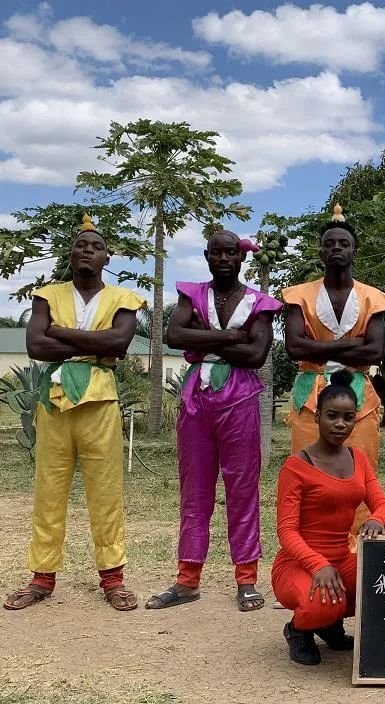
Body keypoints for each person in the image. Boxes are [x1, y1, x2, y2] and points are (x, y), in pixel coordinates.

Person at [4, 215, 145, 612]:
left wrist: (60, 333)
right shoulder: (47, 295)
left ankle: (113, 578)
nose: (87, 251)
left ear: (106, 256)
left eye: (95, 246)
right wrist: (91, 345)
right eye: (81, 245)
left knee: (106, 492)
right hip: (55, 401)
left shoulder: (124, 299)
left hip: (100, 402)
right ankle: (42, 578)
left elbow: (119, 342)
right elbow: (35, 345)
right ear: (72, 252)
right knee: (49, 490)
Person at [145, 231, 282, 612]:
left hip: (239, 397)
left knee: (242, 489)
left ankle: (246, 579)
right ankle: (187, 579)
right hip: (197, 400)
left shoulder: (259, 302)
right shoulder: (192, 294)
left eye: (230, 253)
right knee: (195, 490)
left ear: (242, 258)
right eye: (216, 252)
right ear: (206, 256)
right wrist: (227, 336)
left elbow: (256, 354)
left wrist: (202, 338)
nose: (223, 258)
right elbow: (173, 335)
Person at [283, 204, 385, 550]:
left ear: (354, 250)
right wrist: (352, 344)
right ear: (320, 250)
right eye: (329, 243)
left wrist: (321, 346)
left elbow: (375, 351)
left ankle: (360, 557)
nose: (336, 249)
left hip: (359, 395)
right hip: (310, 393)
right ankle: (310, 555)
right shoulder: (298, 295)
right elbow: (295, 347)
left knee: (359, 475)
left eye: (343, 243)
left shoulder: (373, 298)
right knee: (308, 474)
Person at [272, 369, 385, 665]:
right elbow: (286, 531)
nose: (340, 424)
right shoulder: (296, 467)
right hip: (298, 564)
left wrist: (377, 520)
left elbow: (383, 505)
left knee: (383, 585)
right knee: (325, 601)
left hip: (342, 559)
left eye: (348, 417)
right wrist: (318, 565)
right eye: (331, 416)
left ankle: (329, 625)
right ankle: (298, 630)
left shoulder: (358, 459)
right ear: (317, 417)